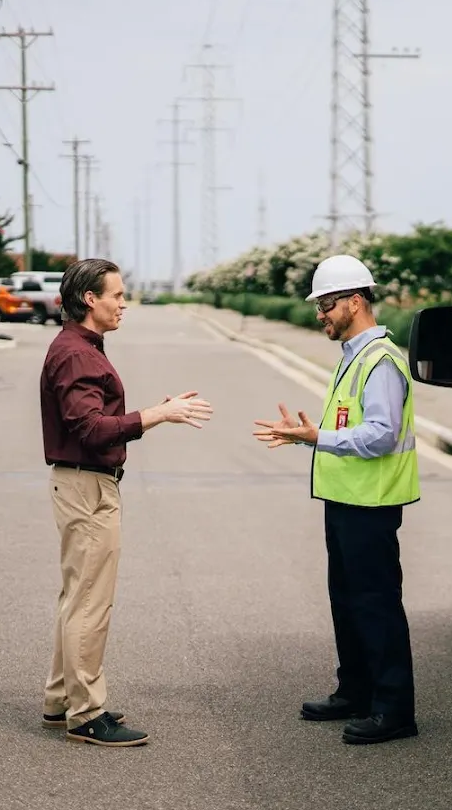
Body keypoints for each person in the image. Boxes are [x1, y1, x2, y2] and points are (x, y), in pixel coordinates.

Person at [40, 258, 214, 747]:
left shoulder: (81, 347)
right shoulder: (77, 354)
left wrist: (156, 412)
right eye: (116, 295)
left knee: (77, 598)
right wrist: (159, 414)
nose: (124, 304)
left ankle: (62, 701)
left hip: (82, 483)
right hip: (87, 487)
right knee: (91, 603)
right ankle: (86, 714)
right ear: (89, 299)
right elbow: (90, 429)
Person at [253, 254, 420, 746]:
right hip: (346, 501)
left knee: (376, 605)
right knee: (346, 602)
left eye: (326, 304)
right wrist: (313, 437)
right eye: (318, 305)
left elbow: (382, 436)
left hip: (371, 505)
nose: (319, 314)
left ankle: (394, 710)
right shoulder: (353, 357)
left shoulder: (381, 361)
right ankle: (356, 691)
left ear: (355, 301)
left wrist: (315, 437)